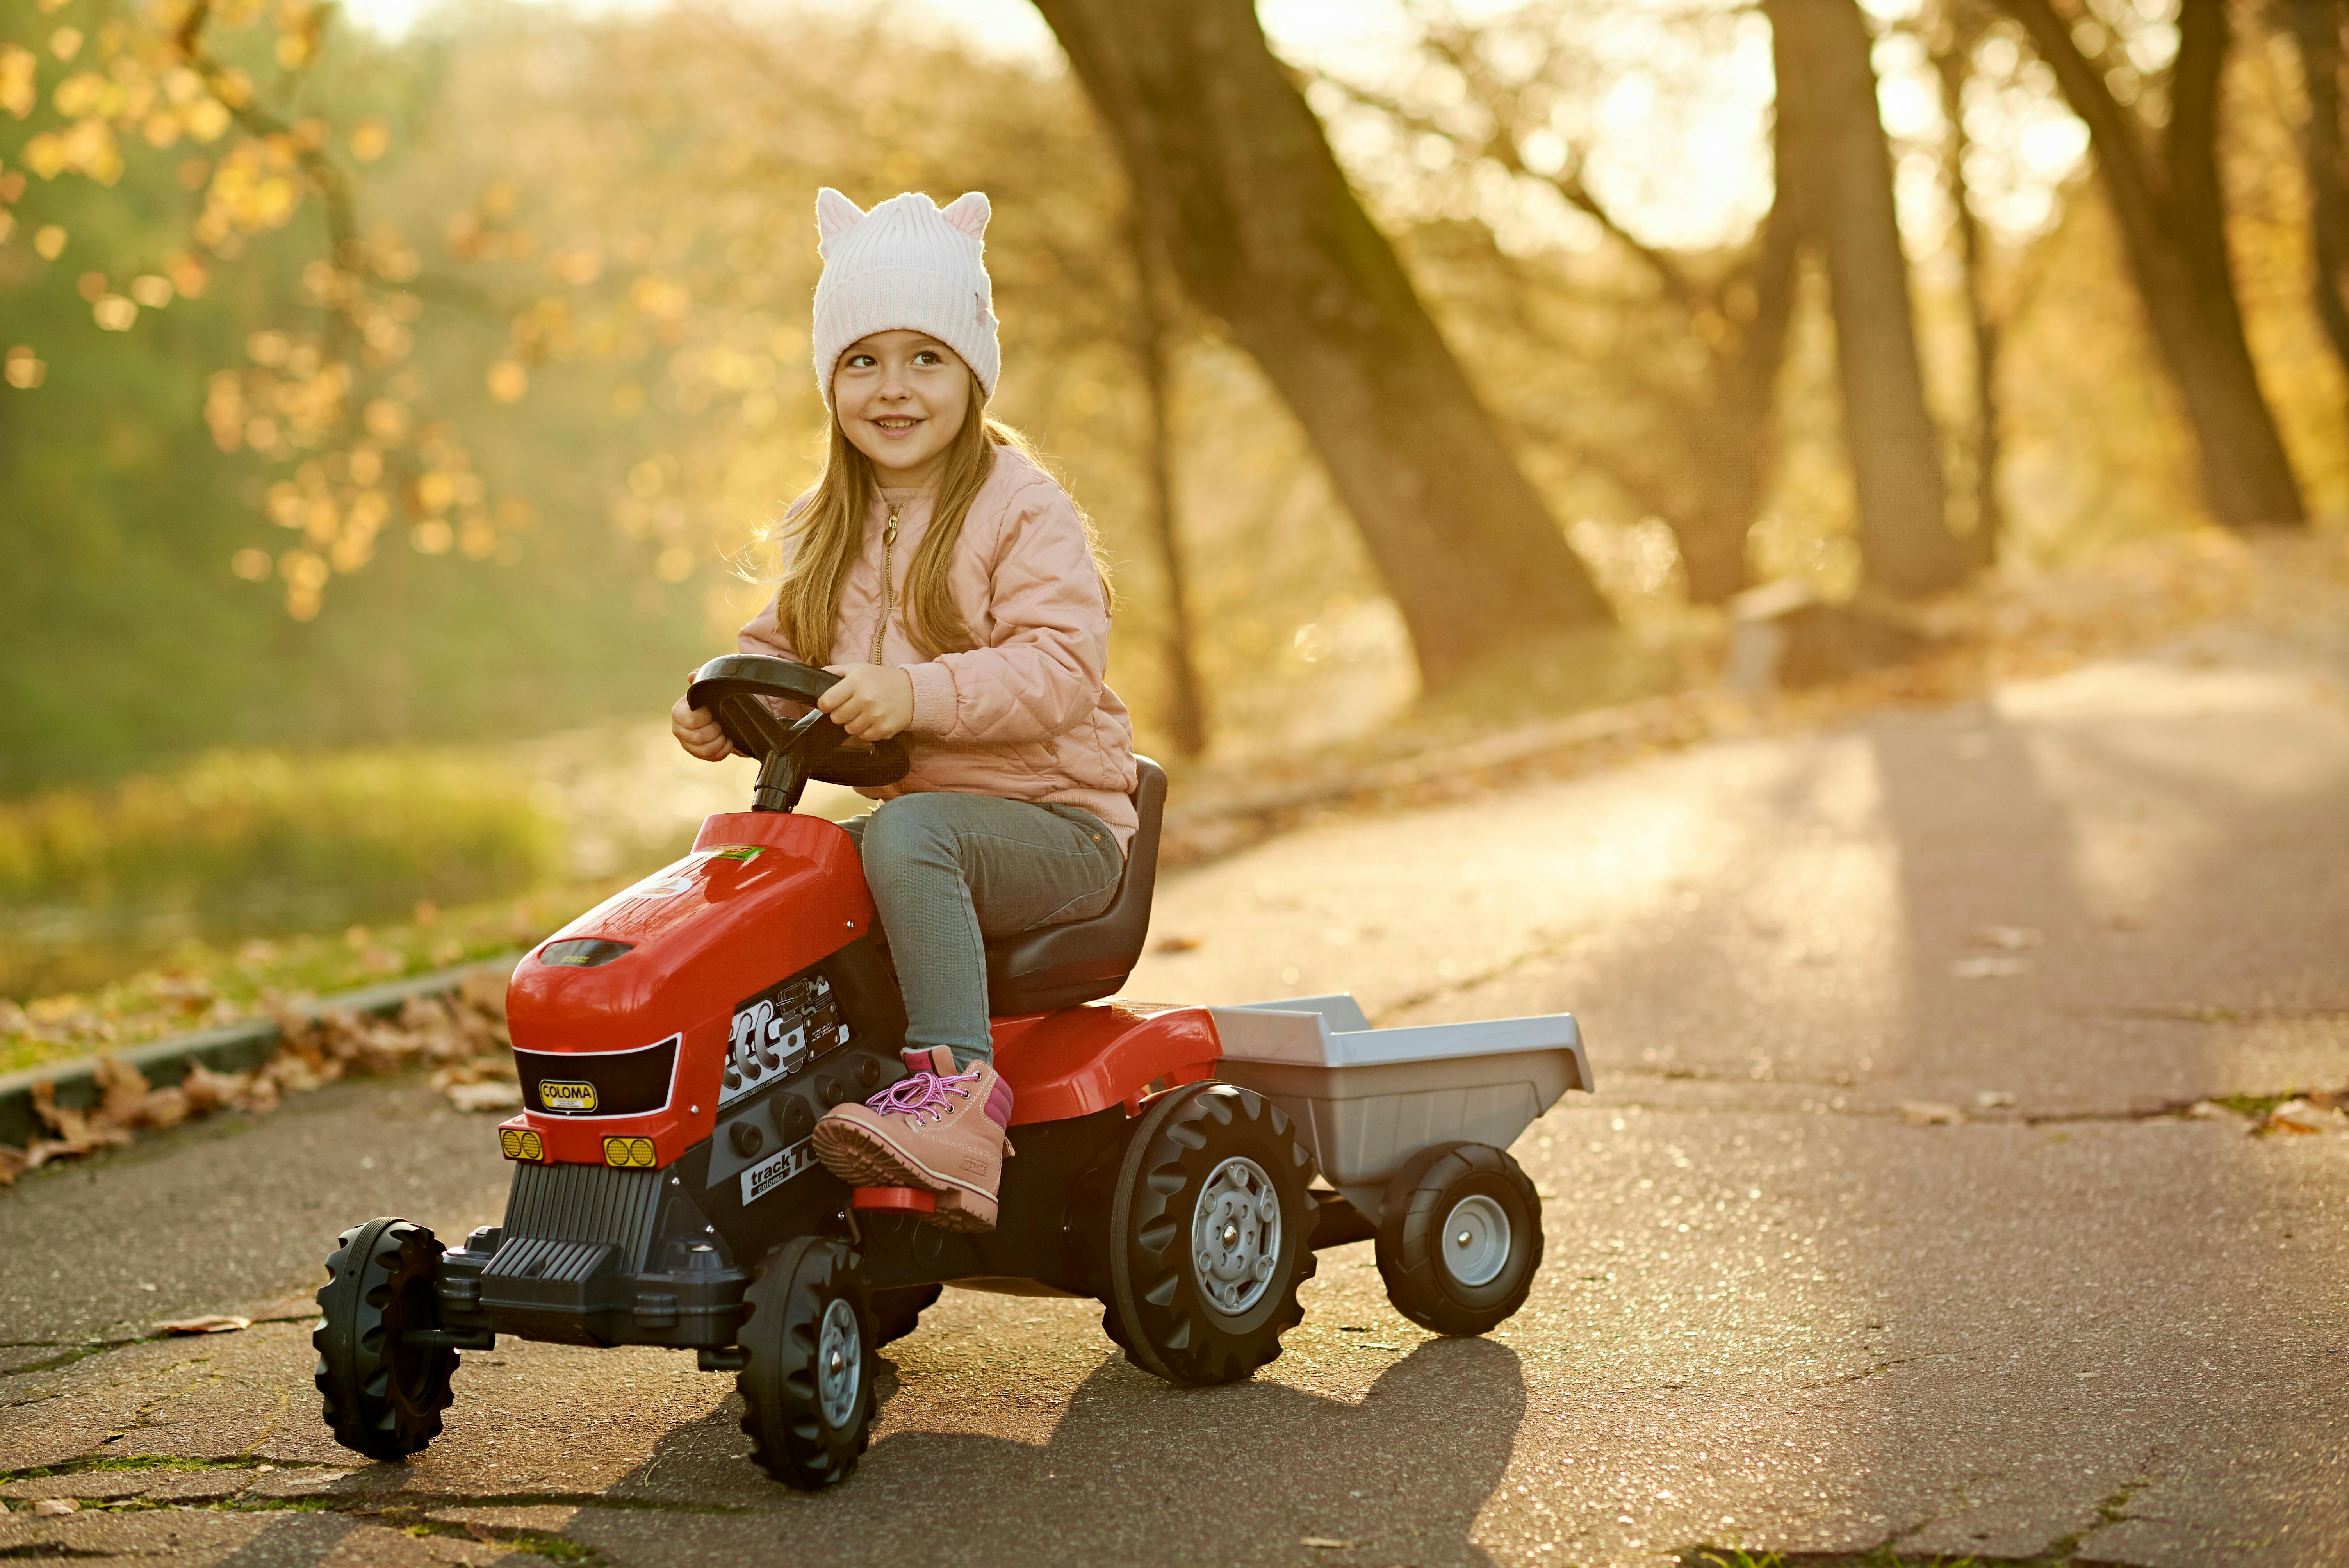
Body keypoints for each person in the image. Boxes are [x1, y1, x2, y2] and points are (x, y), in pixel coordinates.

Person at [670, 187, 1137, 1233]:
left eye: (925, 359)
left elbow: (1059, 668)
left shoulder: (1021, 507)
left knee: (909, 835)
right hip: (923, 833)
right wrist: (718, 704)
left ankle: (958, 1100)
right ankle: (749, 1125)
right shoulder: (824, 519)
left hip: (1059, 827)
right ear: (829, 377)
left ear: (971, 373)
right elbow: (777, 646)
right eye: (862, 360)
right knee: (789, 875)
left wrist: (914, 693)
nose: (892, 389)